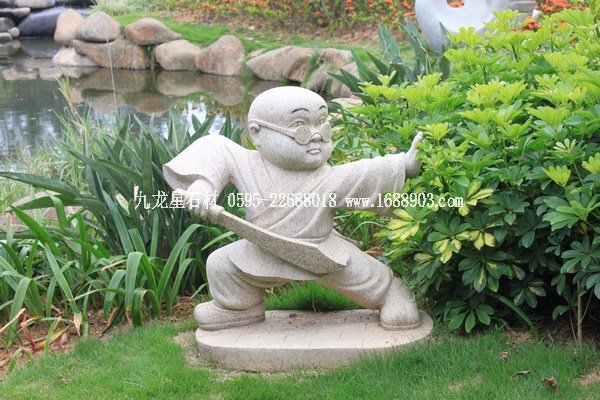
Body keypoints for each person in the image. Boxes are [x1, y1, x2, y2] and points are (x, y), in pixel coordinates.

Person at [163, 86, 423, 331]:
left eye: (322, 123)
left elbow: (365, 173)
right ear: (257, 133)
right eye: (300, 126)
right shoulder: (245, 164)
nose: (316, 135)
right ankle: (239, 308)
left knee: (370, 279)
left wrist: (404, 166)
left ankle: (393, 294)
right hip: (260, 251)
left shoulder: (330, 178)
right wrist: (204, 187)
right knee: (221, 264)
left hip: (320, 253)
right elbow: (217, 150)